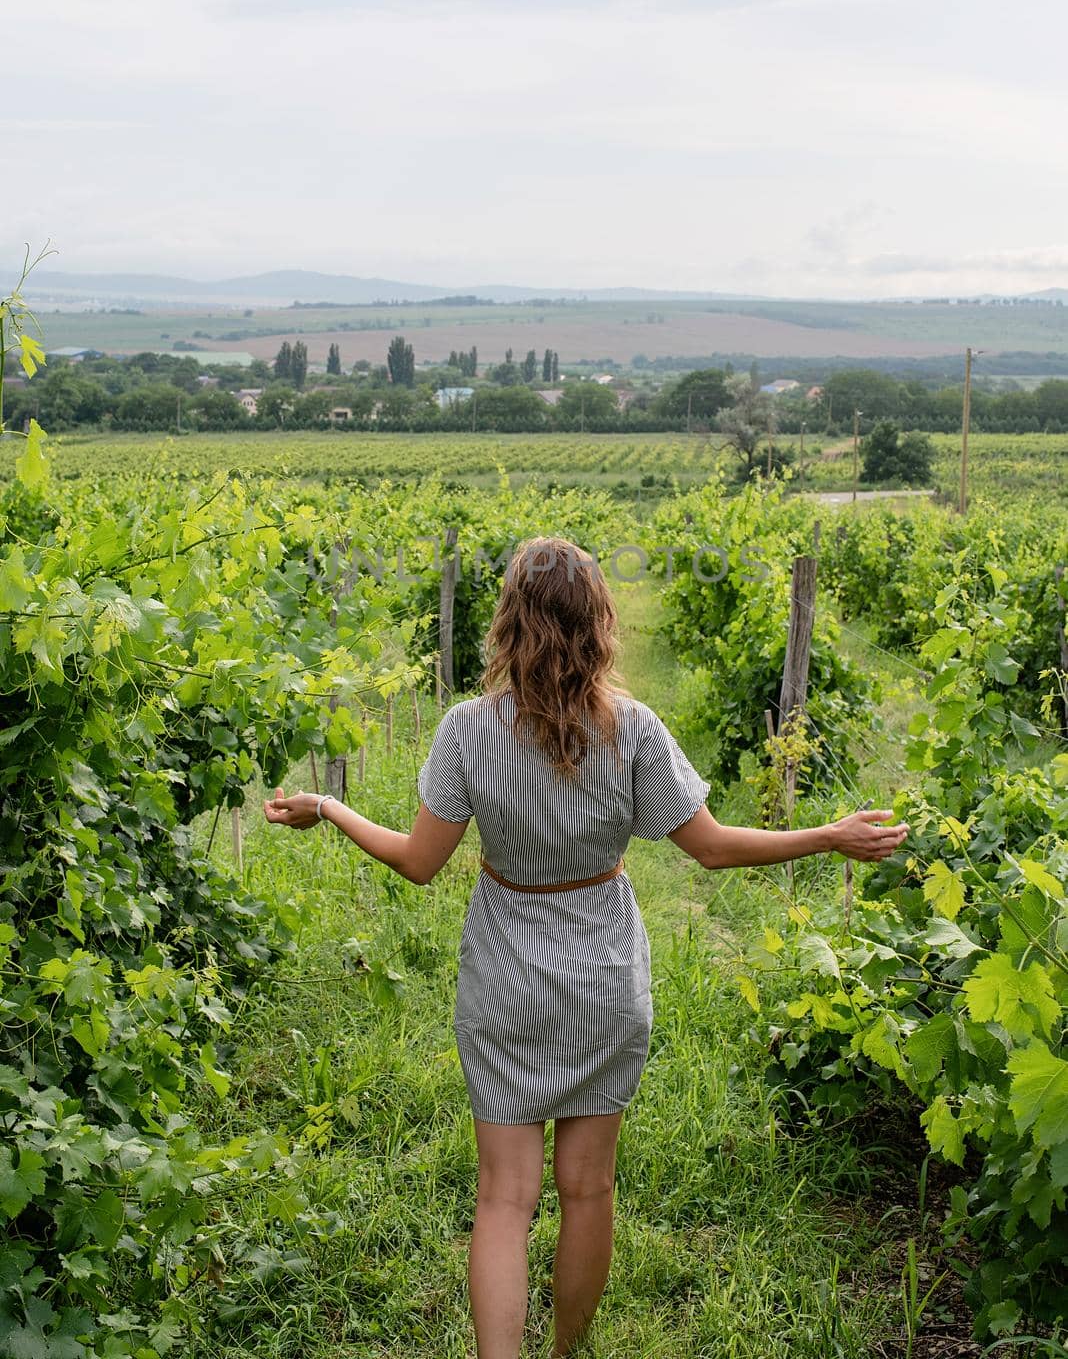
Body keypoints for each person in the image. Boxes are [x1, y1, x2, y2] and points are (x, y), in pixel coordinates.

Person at [264, 535, 907, 1359]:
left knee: (502, 1200)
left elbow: (420, 864)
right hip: (603, 983)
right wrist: (826, 834)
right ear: (599, 621)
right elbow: (710, 848)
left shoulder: (467, 732)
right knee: (587, 1190)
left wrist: (330, 806)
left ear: (507, 623)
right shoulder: (632, 731)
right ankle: (565, 1352)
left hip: (503, 981)